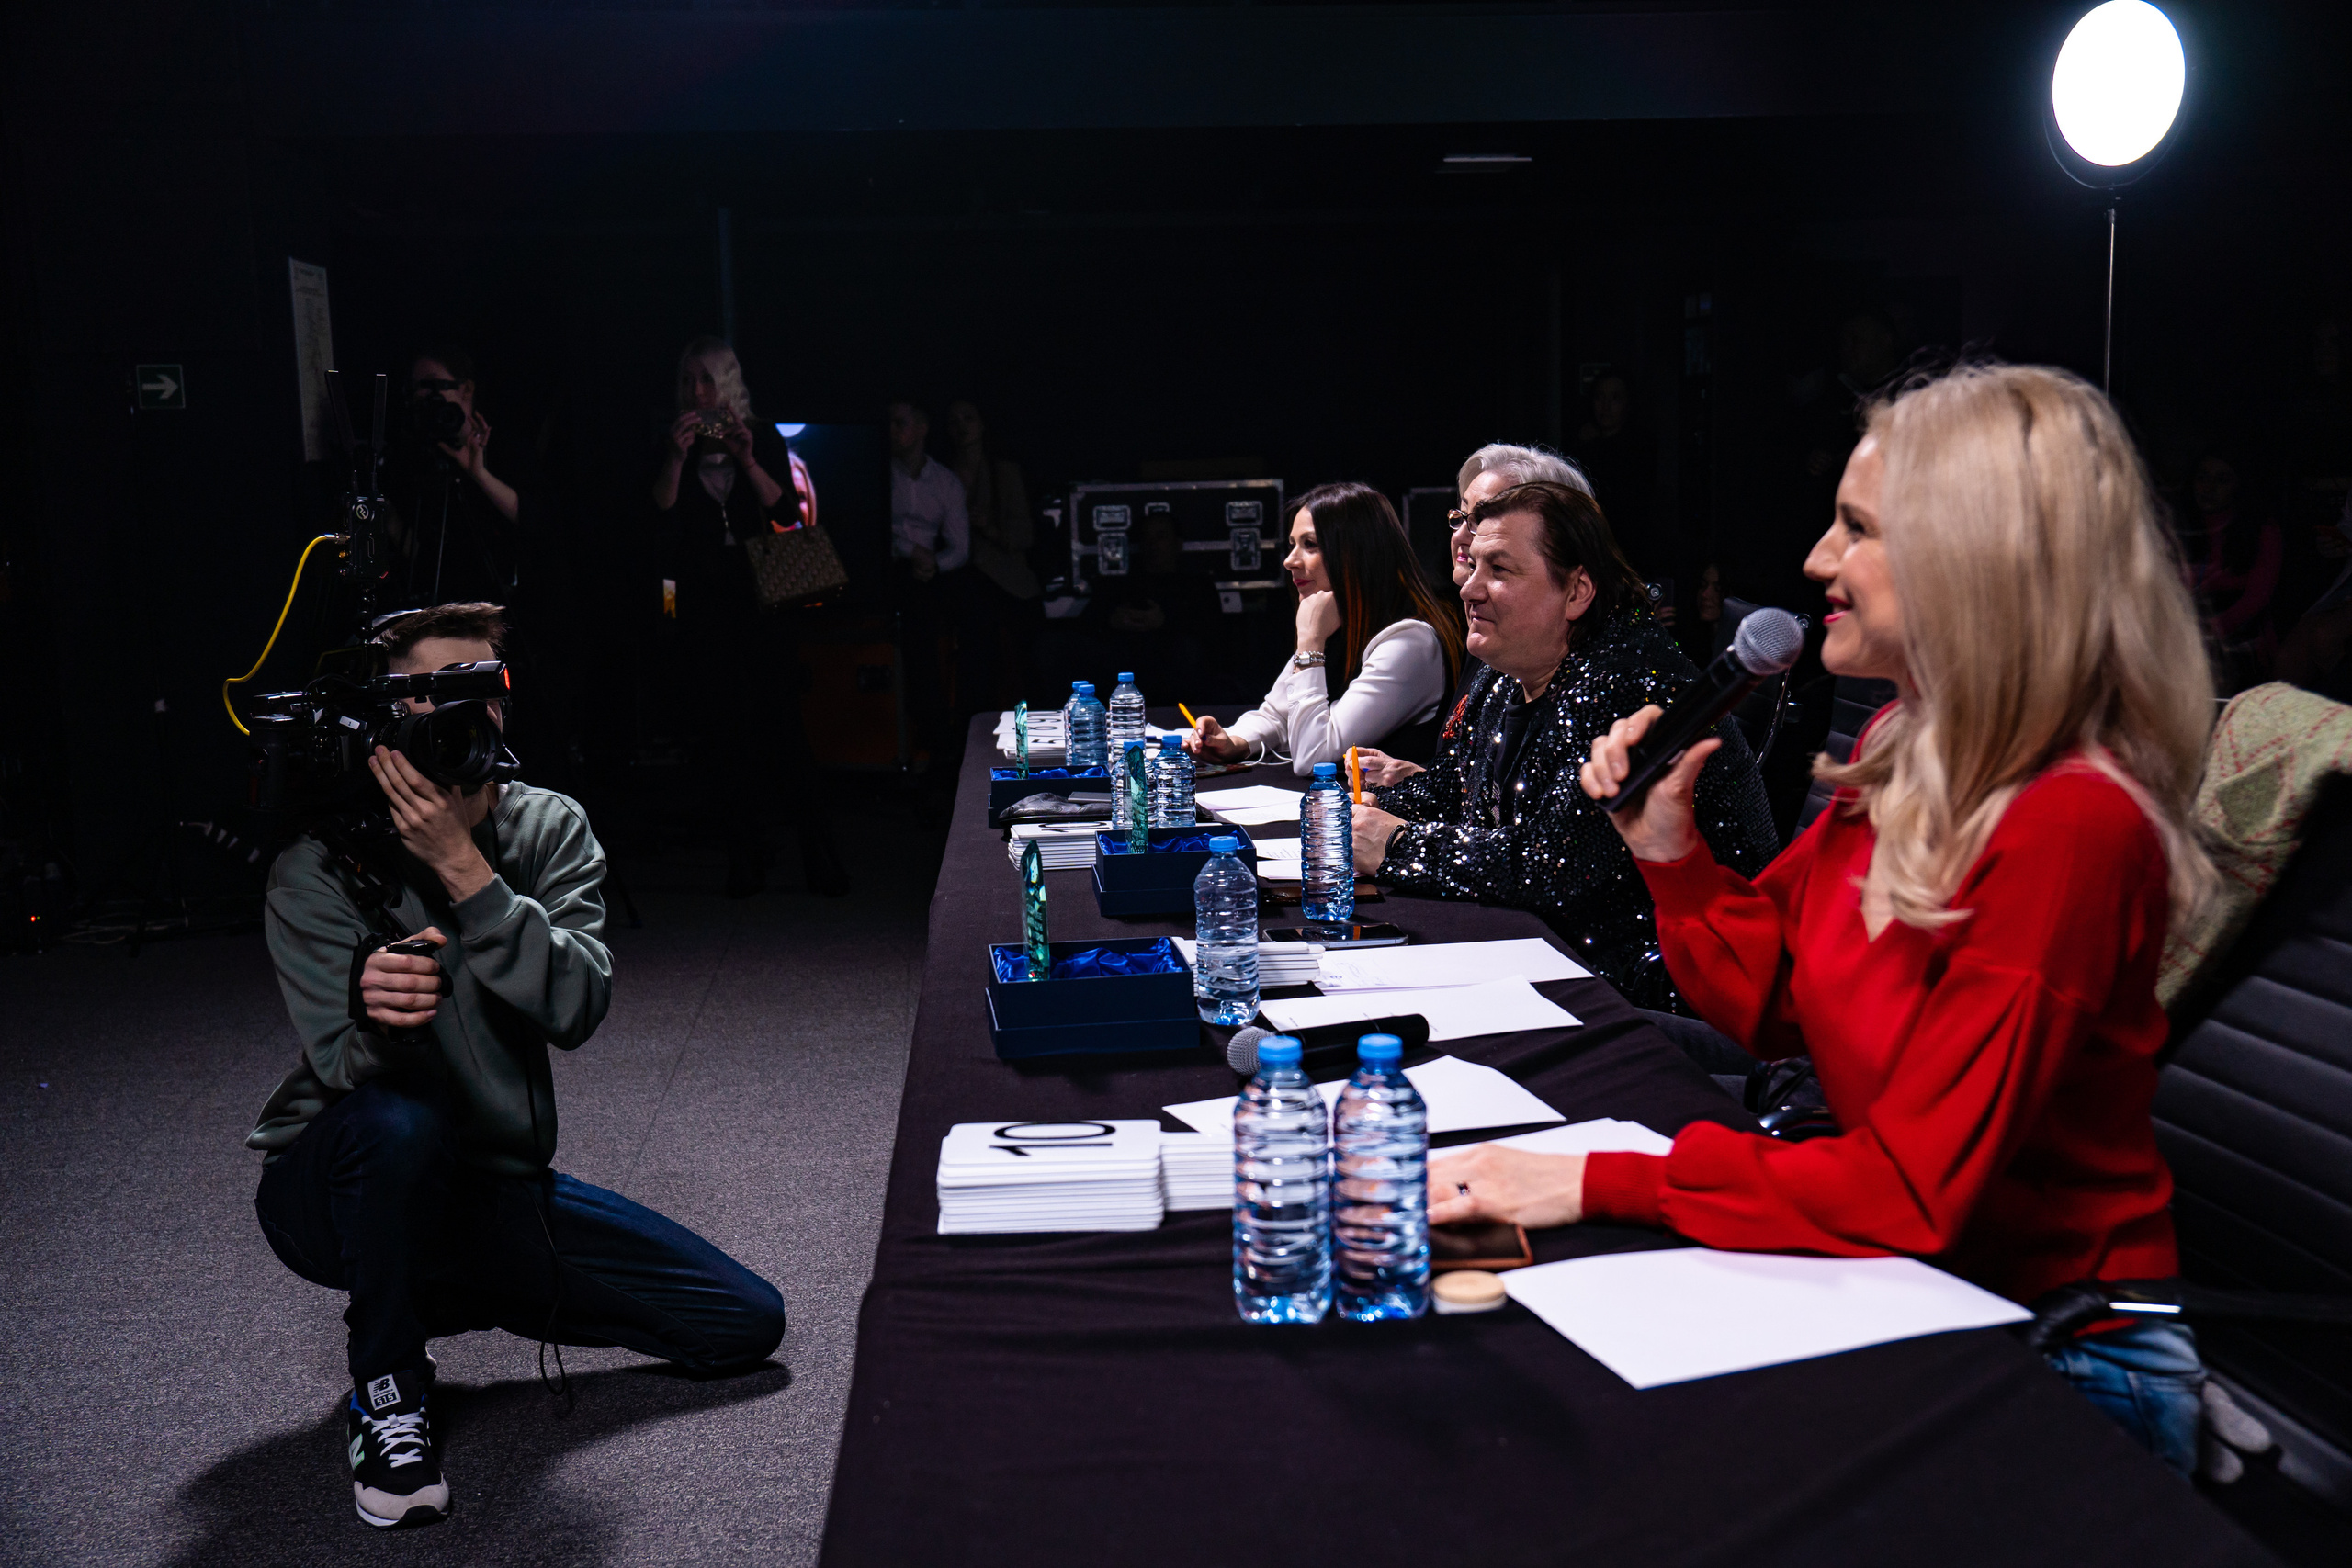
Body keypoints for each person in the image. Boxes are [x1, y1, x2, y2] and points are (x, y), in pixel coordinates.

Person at [1430, 363, 2221, 1474]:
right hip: (1918, 1286)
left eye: (1856, 528)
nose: (1815, 562)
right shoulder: (1910, 749)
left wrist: (1598, 1180)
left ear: (1974, 559)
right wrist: (1671, 855)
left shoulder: (2070, 820)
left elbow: (1906, 1193)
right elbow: (1774, 1005)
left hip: (2058, 1357)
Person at [246, 603, 786, 1529]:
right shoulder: (320, 865)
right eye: (429, 692)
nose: (462, 710)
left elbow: (575, 1007)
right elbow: (341, 1064)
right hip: (330, 1188)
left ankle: (426, 1280)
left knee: (741, 1324)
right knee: (399, 1119)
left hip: (487, 1183)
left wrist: (466, 873)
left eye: (480, 687)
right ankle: (388, 1392)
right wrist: (381, 1015)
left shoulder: (547, 827)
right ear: (382, 715)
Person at [1351, 481, 1777, 1006]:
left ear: (1577, 591)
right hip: (1561, 958)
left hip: (1654, 990)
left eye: (1500, 570)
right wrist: (1365, 811)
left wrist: (1397, 846)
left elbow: (1556, 868)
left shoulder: (1626, 686)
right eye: (1474, 564)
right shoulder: (1508, 671)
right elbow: (1455, 789)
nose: (1469, 588)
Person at [652, 337, 845, 897]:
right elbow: (658, 510)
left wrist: (747, 458)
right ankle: (745, 856)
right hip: (704, 598)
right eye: (689, 380)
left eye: (707, 380)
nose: (697, 391)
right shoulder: (674, 439)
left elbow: (784, 510)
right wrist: (675, 457)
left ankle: (820, 854)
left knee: (785, 727)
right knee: (724, 732)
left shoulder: (756, 434)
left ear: (728, 383)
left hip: (760, 598)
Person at [1351, 444, 1594, 790]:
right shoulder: (1497, 642)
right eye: (1462, 517)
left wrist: (1400, 837)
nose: (1463, 536)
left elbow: (1548, 837)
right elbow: (1477, 793)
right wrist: (1419, 784)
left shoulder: (1601, 683)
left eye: (1484, 520)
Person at [1187, 483, 1464, 773]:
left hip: (1384, 814)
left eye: (1310, 545)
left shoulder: (1410, 642)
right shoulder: (1339, 620)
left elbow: (1314, 757)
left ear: (1356, 555)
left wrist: (1310, 643)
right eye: (1292, 544)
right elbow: (1277, 715)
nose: (1289, 561)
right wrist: (1236, 740)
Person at [386, 346, 527, 608]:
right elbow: (425, 562)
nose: (423, 396)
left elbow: (535, 520)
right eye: (416, 388)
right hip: (451, 612)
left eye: (432, 385)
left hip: (509, 611)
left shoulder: (506, 448)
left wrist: (479, 474)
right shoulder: (416, 460)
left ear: (466, 390)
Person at [888, 400, 972, 791]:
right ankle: (934, 741)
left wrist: (933, 563)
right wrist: (911, 553)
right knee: (914, 613)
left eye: (901, 422)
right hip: (890, 565)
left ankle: (959, 733)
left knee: (967, 612)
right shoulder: (880, 475)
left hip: (931, 568)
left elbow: (961, 546)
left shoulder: (944, 481)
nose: (893, 430)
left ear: (921, 428)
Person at [945, 399, 1039, 712]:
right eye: (954, 420)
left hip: (1007, 580)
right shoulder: (942, 474)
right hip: (961, 578)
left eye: (968, 417)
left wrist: (989, 527)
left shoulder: (1002, 472)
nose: (961, 426)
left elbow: (1024, 535)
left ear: (983, 424)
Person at [2177, 446, 2285, 693]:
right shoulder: (2178, 525)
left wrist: (2209, 631)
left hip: (2234, 645)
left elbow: (2256, 600)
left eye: (2221, 480)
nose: (2208, 488)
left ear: (2239, 486)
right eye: (2202, 477)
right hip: (2181, 637)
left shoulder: (2261, 531)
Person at [1570, 369, 1660, 573]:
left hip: (1629, 545)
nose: (1605, 406)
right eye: (1599, 397)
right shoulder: (1582, 446)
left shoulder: (1641, 445)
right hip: (1591, 543)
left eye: (1615, 398)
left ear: (1628, 403)